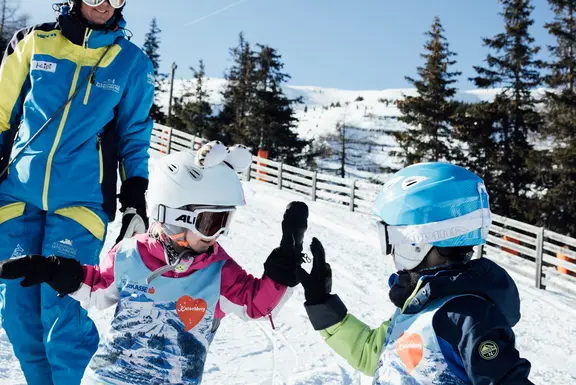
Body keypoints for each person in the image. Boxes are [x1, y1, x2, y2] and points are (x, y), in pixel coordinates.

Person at [0, 141, 308, 385]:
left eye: (226, 221)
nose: (220, 235)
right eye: (211, 222)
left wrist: (283, 268)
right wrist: (55, 270)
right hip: (107, 379)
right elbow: (97, 285)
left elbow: (256, 304)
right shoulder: (129, 254)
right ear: (173, 216)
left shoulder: (219, 270)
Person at [0, 0, 154, 383]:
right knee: (18, 317)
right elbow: (2, 113)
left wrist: (134, 196)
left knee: (62, 313)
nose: (104, 4)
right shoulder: (34, 42)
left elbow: (136, 135)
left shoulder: (131, 62)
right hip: (16, 196)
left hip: (81, 203)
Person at [297, 162, 534, 384]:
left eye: (393, 240)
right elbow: (376, 357)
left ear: (420, 240)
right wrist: (322, 305)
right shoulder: (420, 302)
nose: (390, 253)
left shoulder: (465, 317)